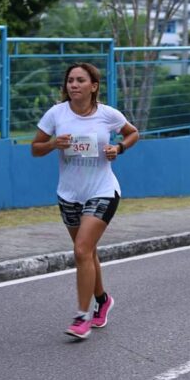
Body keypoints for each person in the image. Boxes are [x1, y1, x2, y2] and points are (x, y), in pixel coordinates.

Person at [32, 62, 139, 340]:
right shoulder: (56, 114)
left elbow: (133, 132)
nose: (74, 85)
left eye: (80, 80)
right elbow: (35, 149)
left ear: (94, 86)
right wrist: (54, 144)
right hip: (69, 194)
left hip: (102, 189)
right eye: (70, 80)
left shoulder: (108, 114)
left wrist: (118, 148)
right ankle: (103, 299)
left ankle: (82, 317)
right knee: (87, 252)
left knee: (81, 250)